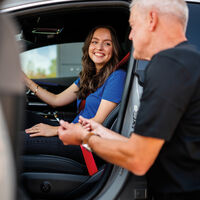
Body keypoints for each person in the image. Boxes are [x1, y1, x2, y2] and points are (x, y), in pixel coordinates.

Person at [57, 0, 200, 199]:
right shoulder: (187, 62)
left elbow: (138, 158)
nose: (131, 36)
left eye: (133, 27)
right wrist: (99, 130)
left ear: (151, 19)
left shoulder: (169, 66)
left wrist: (84, 138)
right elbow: (144, 145)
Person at [22, 25, 126, 165]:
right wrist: (26, 81)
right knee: (22, 116)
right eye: (94, 42)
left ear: (115, 49)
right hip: (72, 132)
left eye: (107, 43)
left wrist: (55, 130)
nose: (99, 47)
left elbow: (97, 122)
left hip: (86, 145)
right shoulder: (88, 76)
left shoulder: (117, 77)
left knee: (16, 140)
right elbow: (56, 100)